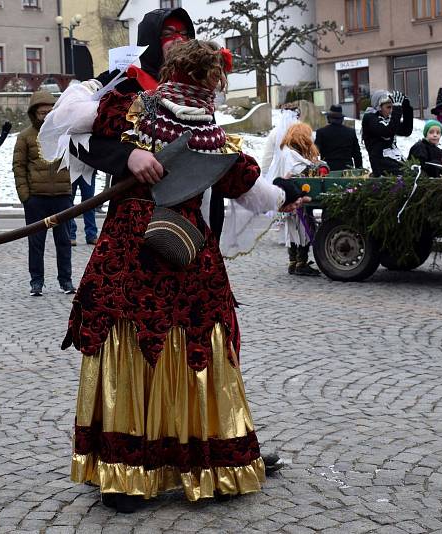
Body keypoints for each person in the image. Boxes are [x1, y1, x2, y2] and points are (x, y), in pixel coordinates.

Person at [64, 34, 305, 512]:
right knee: (180, 347)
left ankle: (139, 471)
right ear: (211, 79)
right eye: (212, 77)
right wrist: (128, 157)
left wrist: (281, 194)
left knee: (147, 346)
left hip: (158, 249)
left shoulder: (196, 130)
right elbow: (83, 140)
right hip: (158, 250)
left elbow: (248, 187)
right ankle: (163, 468)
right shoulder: (134, 107)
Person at [13, 91, 75, 296]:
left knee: (64, 241)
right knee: (36, 243)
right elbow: (19, 167)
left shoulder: (66, 133)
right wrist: (25, 197)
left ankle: (65, 281)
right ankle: (36, 282)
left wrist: (70, 189)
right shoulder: (25, 137)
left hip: (62, 195)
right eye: (42, 113)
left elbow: (77, 160)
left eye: (50, 112)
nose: (46, 116)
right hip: (36, 199)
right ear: (34, 114)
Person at [275, 123, 324, 276]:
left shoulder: (288, 152)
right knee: (301, 229)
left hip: (292, 199)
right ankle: (299, 263)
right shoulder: (290, 154)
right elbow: (294, 172)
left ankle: (295, 262)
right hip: (295, 199)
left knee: (296, 230)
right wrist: (312, 167)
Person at [361, 89, 414, 177]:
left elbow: (406, 130)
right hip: (381, 162)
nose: (391, 110)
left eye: (393, 107)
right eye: (389, 107)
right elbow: (387, 132)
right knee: (405, 175)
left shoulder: (389, 120)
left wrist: (406, 108)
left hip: (394, 159)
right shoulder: (370, 118)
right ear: (378, 107)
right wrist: (397, 110)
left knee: (414, 172)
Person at [314, 105, 362, 171]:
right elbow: (357, 154)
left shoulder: (321, 132)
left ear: (329, 118)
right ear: (342, 119)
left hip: (328, 169)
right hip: (347, 169)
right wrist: (359, 169)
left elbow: (315, 152)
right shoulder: (350, 132)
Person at [68, 174, 98, 246]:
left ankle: (91, 235)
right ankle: (71, 234)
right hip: (71, 169)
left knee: (90, 203)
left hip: (88, 170)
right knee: (68, 203)